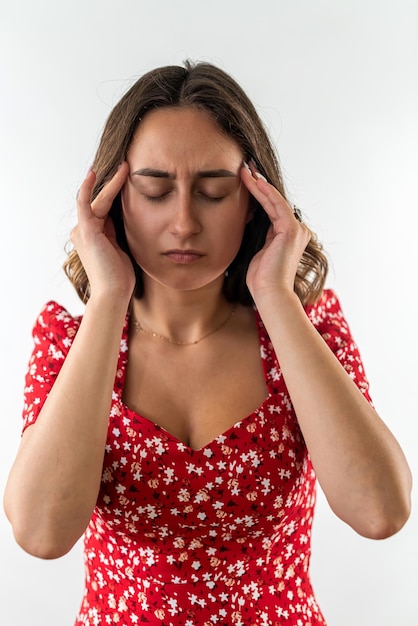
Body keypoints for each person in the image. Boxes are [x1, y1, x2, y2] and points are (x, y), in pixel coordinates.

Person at [4, 60, 412, 626]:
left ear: (254, 201)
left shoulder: (307, 332)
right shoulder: (70, 342)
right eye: (154, 190)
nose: (184, 223)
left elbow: (381, 513)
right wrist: (107, 300)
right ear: (115, 199)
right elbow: (41, 534)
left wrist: (276, 297)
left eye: (214, 192)